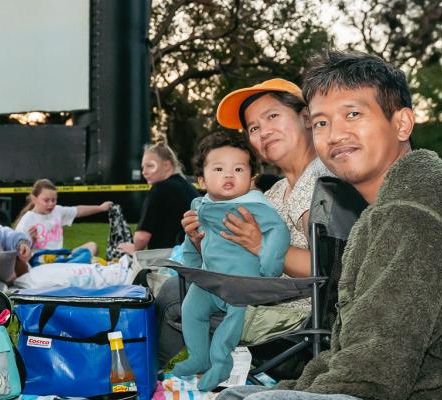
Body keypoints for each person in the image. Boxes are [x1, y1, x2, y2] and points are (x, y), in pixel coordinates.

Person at [220, 50, 442, 399]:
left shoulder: (415, 208)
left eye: (353, 114)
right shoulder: (395, 200)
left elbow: (372, 370)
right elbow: (353, 347)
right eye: (322, 123)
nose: (335, 134)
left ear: (402, 123)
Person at [157, 78, 332, 366]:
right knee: (173, 288)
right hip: (264, 297)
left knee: (172, 299)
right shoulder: (275, 192)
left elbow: (329, 270)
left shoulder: (322, 181)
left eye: (272, 116)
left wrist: (259, 244)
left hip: (298, 319)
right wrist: (206, 243)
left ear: (307, 117)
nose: (263, 131)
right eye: (254, 127)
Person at [168, 132, 289, 391]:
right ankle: (198, 356)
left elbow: (278, 231)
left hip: (243, 283)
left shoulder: (254, 205)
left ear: (251, 178)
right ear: (201, 179)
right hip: (210, 280)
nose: (229, 175)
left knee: (231, 323)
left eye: (238, 169)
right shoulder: (201, 206)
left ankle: (220, 362)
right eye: (219, 169)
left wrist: (270, 266)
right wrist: (191, 266)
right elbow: (192, 243)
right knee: (191, 309)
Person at [115, 138, 200, 256]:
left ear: (166, 165)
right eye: (143, 167)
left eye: (149, 166)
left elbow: (142, 237)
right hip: (191, 257)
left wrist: (134, 248)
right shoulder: (187, 186)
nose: (144, 172)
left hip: (169, 261)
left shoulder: (159, 189)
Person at [14, 178, 112, 258]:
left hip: (60, 258)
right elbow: (19, 254)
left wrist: (101, 208)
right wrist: (31, 241)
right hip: (40, 262)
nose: (51, 204)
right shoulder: (27, 220)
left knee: (92, 246)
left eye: (54, 200)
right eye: (46, 200)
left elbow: (79, 210)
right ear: (34, 199)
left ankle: (70, 265)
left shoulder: (57, 211)